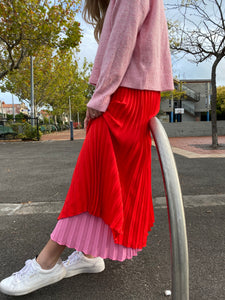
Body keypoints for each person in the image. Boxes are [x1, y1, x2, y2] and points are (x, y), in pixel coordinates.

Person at [0, 0, 174, 296]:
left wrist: (100, 96)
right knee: (108, 178)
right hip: (137, 94)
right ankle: (90, 255)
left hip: (125, 96)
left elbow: (122, 43)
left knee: (91, 181)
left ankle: (48, 263)